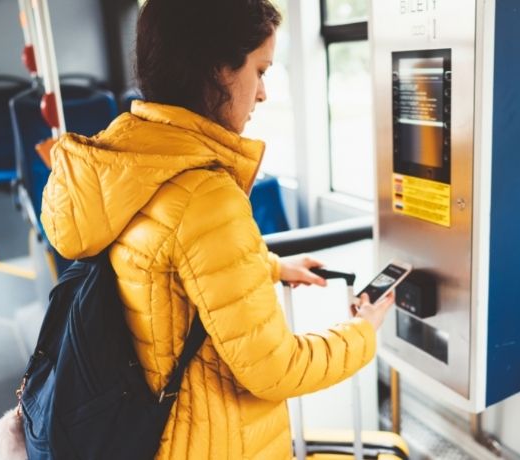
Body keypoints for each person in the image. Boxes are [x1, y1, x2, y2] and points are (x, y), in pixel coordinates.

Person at [39, 0, 394, 458]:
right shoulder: (205, 195)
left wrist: (268, 266)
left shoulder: (130, 167)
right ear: (217, 70)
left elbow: (166, 267)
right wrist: (363, 331)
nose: (263, 93)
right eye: (260, 70)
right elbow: (276, 369)